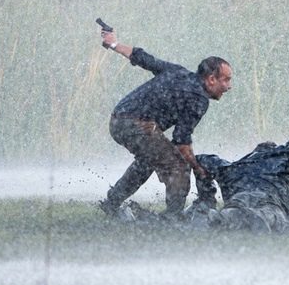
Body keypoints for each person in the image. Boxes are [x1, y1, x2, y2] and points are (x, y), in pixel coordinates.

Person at [98, 28, 233, 218]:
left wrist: (113, 43)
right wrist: (198, 169)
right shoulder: (198, 98)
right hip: (135, 125)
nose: (229, 86)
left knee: (147, 161)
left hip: (117, 120)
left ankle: (111, 203)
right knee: (178, 167)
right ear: (211, 79)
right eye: (226, 80)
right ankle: (172, 218)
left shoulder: (178, 72)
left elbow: (144, 59)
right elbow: (181, 141)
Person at [188, 103, 289, 232]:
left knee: (231, 213)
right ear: (274, 149)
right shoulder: (285, 156)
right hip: (268, 199)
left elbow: (200, 160)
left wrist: (206, 197)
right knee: (272, 215)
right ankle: (259, 217)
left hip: (240, 198)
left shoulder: (232, 168)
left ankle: (221, 217)